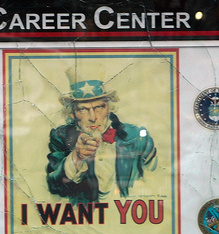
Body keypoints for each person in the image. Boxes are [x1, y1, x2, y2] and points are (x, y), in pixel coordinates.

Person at [46, 68, 157, 203]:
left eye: (99, 107)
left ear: (108, 109)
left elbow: (158, 180)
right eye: (82, 110)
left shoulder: (136, 136)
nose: (93, 117)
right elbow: (54, 186)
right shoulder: (61, 137)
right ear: (72, 114)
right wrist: (77, 157)